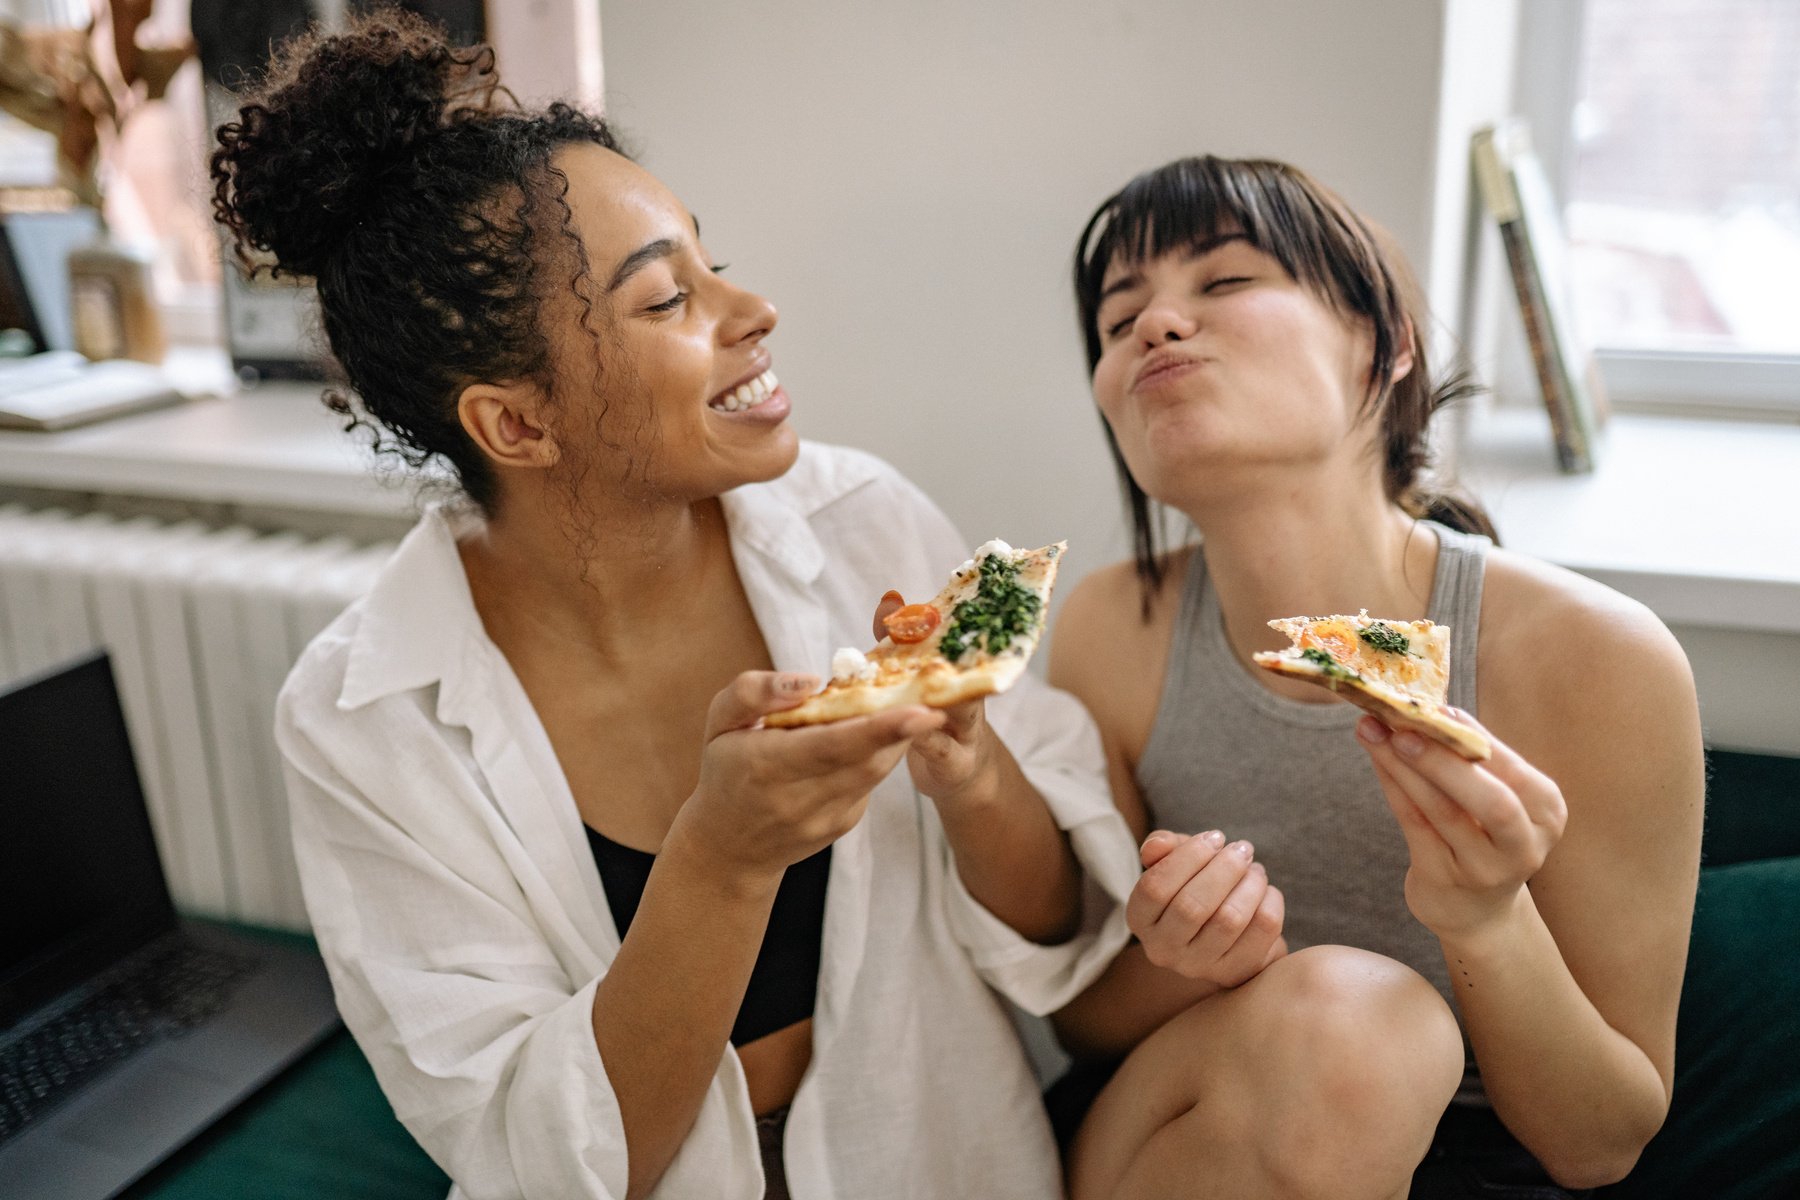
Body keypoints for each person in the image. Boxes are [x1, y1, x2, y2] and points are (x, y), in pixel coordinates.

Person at [214, 12, 1139, 1199]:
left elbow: (1058, 929)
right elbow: (542, 1156)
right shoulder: (360, 719)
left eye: (713, 258)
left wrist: (967, 769)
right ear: (518, 423)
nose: (751, 311)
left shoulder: (865, 526)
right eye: (665, 302)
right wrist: (722, 860)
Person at [1045, 155, 1704, 1200]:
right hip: (1183, 1125)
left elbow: (1601, 1142)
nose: (1155, 327)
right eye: (1120, 317)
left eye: (1223, 283)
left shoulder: (1599, 659)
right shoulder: (1106, 628)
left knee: (1367, 1028)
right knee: (1353, 1022)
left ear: (1385, 347)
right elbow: (1077, 1023)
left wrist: (1485, 917)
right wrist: (1182, 962)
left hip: (1480, 1158)